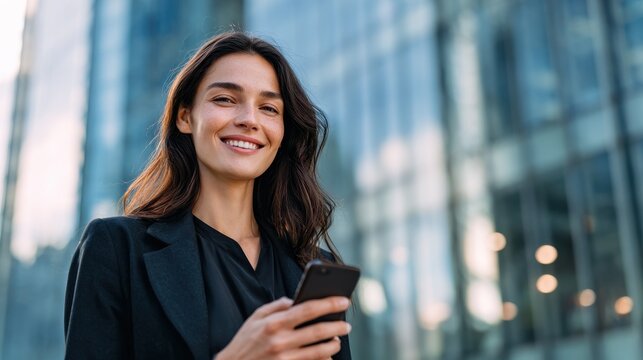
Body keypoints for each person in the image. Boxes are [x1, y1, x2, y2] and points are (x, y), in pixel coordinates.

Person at [64, 31, 353, 360]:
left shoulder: (310, 268)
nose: (249, 120)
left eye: (269, 108)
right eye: (225, 100)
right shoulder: (115, 248)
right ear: (185, 117)